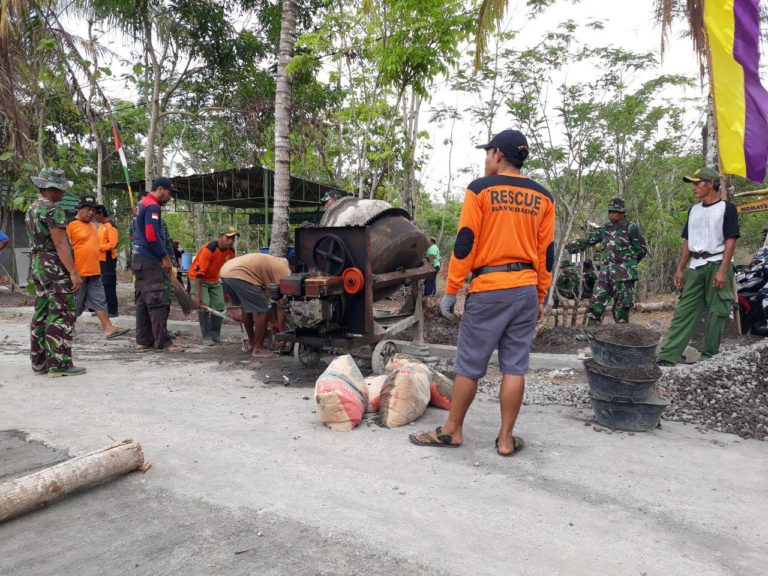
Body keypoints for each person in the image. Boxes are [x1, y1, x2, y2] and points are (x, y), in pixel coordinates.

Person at [410, 129, 555, 456]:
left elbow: (465, 242)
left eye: (487, 152)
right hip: (526, 290)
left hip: (490, 289)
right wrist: (541, 296)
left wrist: (452, 289)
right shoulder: (543, 197)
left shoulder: (480, 190)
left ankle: (452, 430)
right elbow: (546, 252)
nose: (485, 158)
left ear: (499, 155)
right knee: (515, 367)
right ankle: (505, 439)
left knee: (469, 364)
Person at [656, 167, 739, 366]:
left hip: (717, 262)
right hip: (697, 264)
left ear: (710, 183)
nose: (694, 188)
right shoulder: (694, 210)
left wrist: (722, 271)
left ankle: (709, 357)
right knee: (684, 310)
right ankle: (669, 355)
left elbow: (731, 241)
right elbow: (688, 241)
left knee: (717, 312)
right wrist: (680, 268)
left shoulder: (727, 208)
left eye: (697, 183)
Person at [25, 168, 85, 377]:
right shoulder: (53, 209)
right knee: (61, 312)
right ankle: (58, 363)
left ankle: (39, 362)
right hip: (54, 264)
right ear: (50, 189)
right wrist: (74, 272)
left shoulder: (32, 208)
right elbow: (60, 243)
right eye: (60, 190)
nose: (63, 194)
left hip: (37, 264)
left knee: (41, 311)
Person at [565, 198, 648, 325]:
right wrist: (571, 245)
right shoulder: (605, 228)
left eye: (615, 212)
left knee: (622, 306)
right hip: (605, 274)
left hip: (624, 276)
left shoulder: (631, 228)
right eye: (610, 212)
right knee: (596, 302)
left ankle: (621, 336)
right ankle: (591, 334)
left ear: (623, 213)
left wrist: (628, 265)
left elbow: (642, 250)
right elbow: (588, 240)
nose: (611, 214)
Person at [66, 195, 129, 339]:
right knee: (76, 304)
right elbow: (64, 249)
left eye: (93, 210)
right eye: (88, 209)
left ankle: (108, 329)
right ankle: (66, 328)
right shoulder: (70, 225)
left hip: (94, 271)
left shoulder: (93, 225)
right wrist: (71, 272)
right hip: (78, 273)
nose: (91, 213)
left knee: (99, 300)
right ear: (80, 208)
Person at [132, 177, 183, 352]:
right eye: (169, 193)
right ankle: (162, 343)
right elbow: (152, 235)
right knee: (157, 298)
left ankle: (143, 340)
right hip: (150, 258)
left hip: (138, 258)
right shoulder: (152, 206)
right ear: (160, 189)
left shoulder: (141, 204)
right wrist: (164, 257)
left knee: (142, 299)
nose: (170, 197)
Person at [220, 253, 290, 358]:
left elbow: (264, 298)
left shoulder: (270, 265)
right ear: (292, 266)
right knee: (263, 310)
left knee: (246, 307)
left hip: (225, 272)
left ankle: (252, 343)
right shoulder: (285, 270)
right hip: (240, 275)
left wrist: (274, 322)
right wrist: (282, 331)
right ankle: (258, 349)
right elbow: (281, 303)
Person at [190, 226, 239, 345]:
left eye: (233, 238)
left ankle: (215, 335)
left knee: (220, 306)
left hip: (214, 280)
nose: (231, 241)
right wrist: (197, 295)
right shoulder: (210, 249)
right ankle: (206, 336)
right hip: (199, 279)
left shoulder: (231, 251)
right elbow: (199, 273)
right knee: (204, 304)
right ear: (220, 237)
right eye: (228, 238)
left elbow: (231, 270)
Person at [94, 204, 120, 317]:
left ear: (101, 214)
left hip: (108, 259)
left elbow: (112, 244)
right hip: (100, 259)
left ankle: (112, 310)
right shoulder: (100, 225)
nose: (93, 217)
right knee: (101, 285)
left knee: (109, 284)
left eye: (95, 214)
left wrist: (99, 247)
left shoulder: (111, 226)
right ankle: (103, 310)